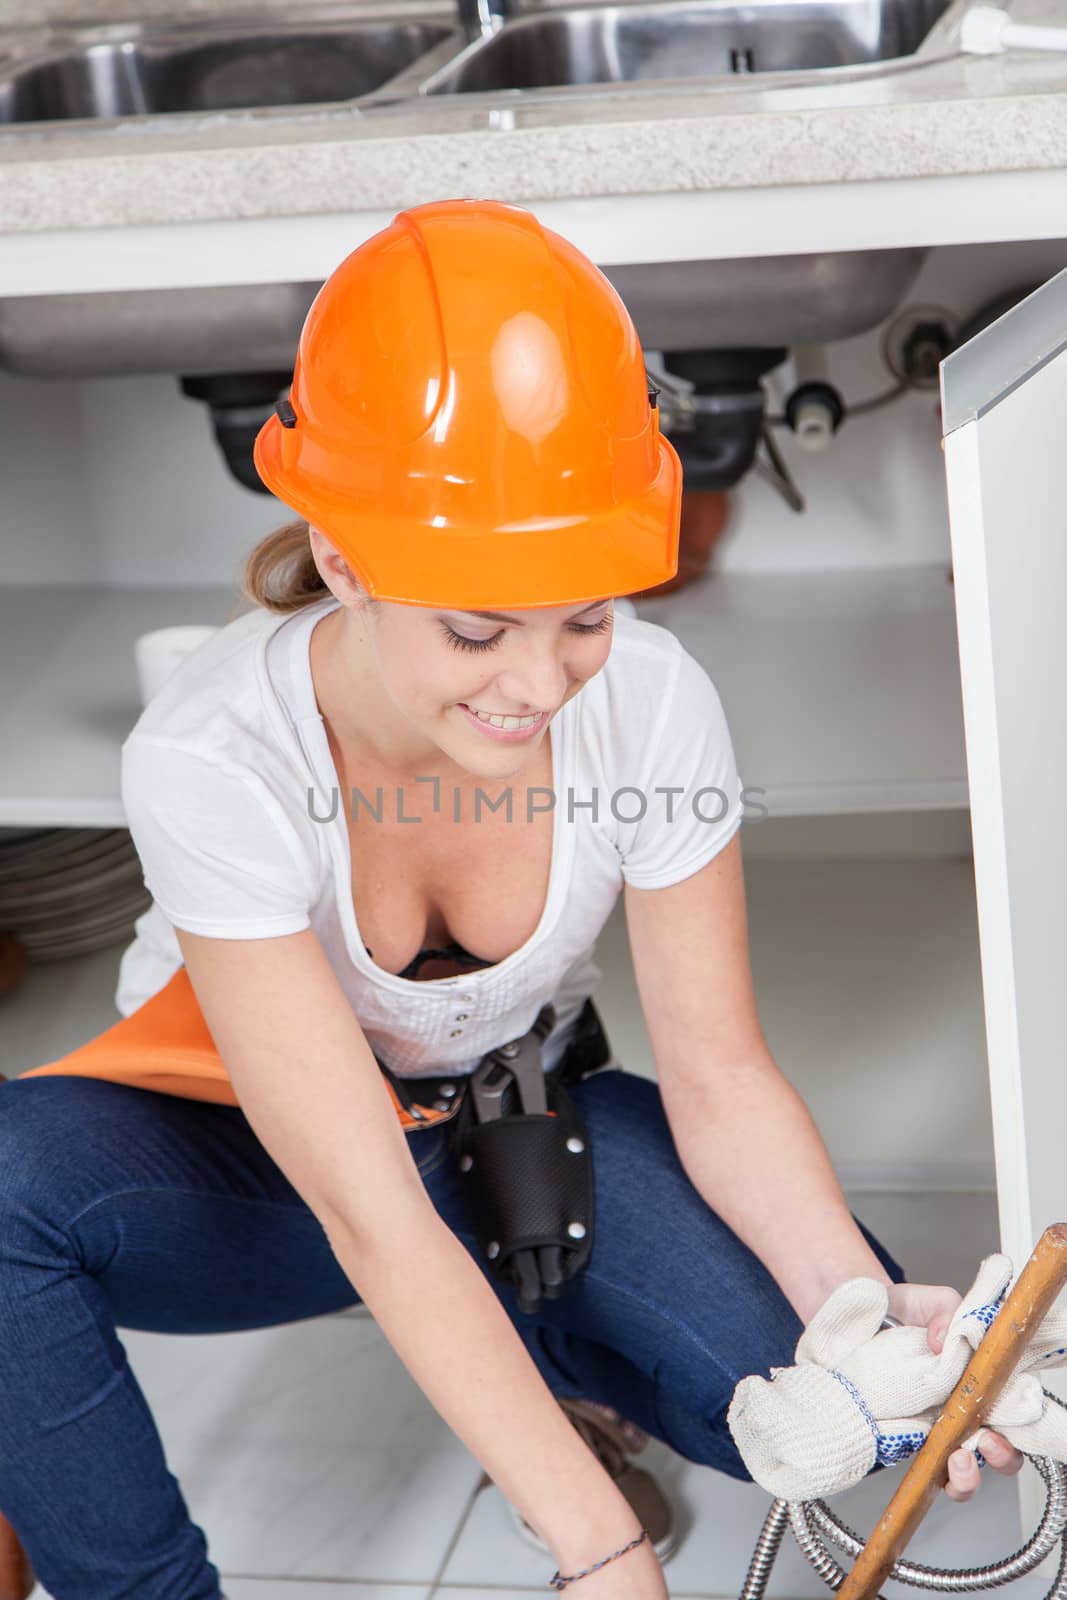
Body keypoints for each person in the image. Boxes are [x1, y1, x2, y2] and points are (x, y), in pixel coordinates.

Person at [1, 198, 1022, 1600]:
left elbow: (721, 1078)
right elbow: (367, 1206)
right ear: (347, 560)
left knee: (866, 1426)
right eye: (478, 627)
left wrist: (861, 1321)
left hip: (525, 1136)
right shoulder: (212, 757)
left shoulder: (653, 702)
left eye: (586, 614)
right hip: (267, 1175)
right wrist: (594, 1551)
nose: (539, 686)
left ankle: (552, 1369)